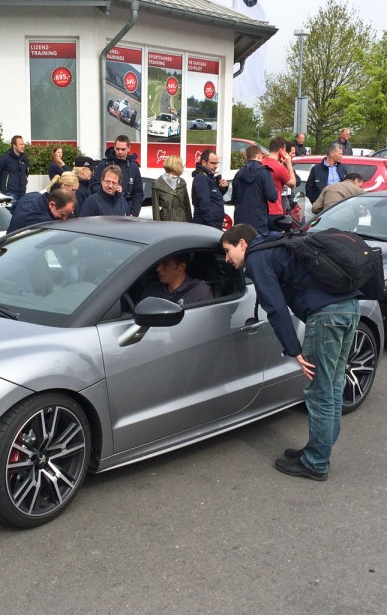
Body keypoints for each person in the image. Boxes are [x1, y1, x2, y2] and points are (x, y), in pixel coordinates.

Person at [222, 223, 360, 481]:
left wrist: (293, 349)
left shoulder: (256, 256)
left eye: (228, 251)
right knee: (332, 386)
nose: (227, 259)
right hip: (350, 308)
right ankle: (317, 450)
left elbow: (274, 306)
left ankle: (316, 463)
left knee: (320, 391)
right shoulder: (277, 244)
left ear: (242, 243)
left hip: (326, 316)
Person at [91, 135, 143, 216]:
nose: (120, 152)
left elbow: (138, 193)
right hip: (105, 208)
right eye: (118, 149)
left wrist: (134, 213)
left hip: (127, 210)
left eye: (123, 149)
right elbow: (93, 186)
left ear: (129, 148)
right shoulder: (104, 164)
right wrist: (108, 188)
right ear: (114, 147)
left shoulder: (133, 167)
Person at [232, 144, 278, 234]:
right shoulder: (264, 173)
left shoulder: (238, 174)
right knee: (258, 246)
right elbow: (272, 197)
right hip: (258, 221)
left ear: (247, 157)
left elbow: (234, 199)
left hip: (240, 221)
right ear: (259, 155)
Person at [140, 254, 213, 306]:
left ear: (181, 267)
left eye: (165, 264)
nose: (158, 269)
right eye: (158, 264)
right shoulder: (152, 290)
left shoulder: (200, 292)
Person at [6, 188, 77, 233]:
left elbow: (13, 208)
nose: (64, 219)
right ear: (52, 205)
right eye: (63, 214)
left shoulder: (33, 195)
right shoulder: (44, 222)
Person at [190, 149, 228, 229]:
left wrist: (223, 188)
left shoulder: (209, 177)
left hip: (211, 226)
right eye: (212, 163)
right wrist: (212, 225)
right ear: (204, 162)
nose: (216, 166)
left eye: (217, 163)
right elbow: (204, 204)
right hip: (205, 227)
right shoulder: (201, 178)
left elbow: (214, 198)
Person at [260, 137, 295, 222]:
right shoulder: (279, 167)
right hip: (274, 210)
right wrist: (289, 164)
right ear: (281, 150)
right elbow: (293, 184)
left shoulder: (260, 163)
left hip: (260, 210)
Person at [152, 155, 192, 222]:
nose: (182, 167)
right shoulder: (158, 184)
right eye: (180, 164)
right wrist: (158, 226)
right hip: (166, 221)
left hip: (182, 221)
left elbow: (187, 205)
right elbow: (155, 209)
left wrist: (190, 223)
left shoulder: (182, 182)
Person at [0, 135, 29, 201]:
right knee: (11, 211)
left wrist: (24, 182)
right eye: (20, 144)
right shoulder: (5, 158)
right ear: (14, 145)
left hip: (23, 193)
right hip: (10, 193)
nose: (23, 146)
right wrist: (4, 189)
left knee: (21, 211)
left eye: (23, 144)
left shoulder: (25, 157)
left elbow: (26, 172)